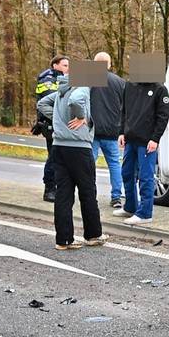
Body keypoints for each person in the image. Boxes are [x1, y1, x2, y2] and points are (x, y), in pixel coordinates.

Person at [37, 75, 105, 250]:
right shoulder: (82, 86)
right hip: (79, 148)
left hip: (59, 147)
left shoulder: (60, 90)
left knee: (63, 194)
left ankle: (64, 239)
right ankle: (93, 235)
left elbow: (42, 103)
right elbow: (75, 101)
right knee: (87, 192)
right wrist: (81, 117)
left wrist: (58, 119)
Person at [116, 76, 169, 225]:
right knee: (127, 173)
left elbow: (163, 116)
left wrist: (155, 139)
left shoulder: (160, 89)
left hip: (147, 142)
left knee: (146, 177)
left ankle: (145, 213)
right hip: (130, 139)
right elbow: (124, 111)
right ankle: (130, 206)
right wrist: (121, 132)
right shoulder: (129, 86)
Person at [89, 52, 127, 209]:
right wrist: (123, 130)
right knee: (114, 164)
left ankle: (90, 195)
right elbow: (126, 108)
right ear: (110, 64)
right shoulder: (120, 82)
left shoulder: (87, 80)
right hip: (113, 130)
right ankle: (116, 197)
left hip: (91, 130)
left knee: (89, 163)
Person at [33, 55, 69, 202]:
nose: (68, 68)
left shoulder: (61, 79)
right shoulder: (47, 79)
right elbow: (51, 100)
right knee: (53, 157)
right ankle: (49, 189)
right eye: (65, 65)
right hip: (50, 123)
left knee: (58, 157)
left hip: (56, 123)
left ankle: (56, 187)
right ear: (55, 65)